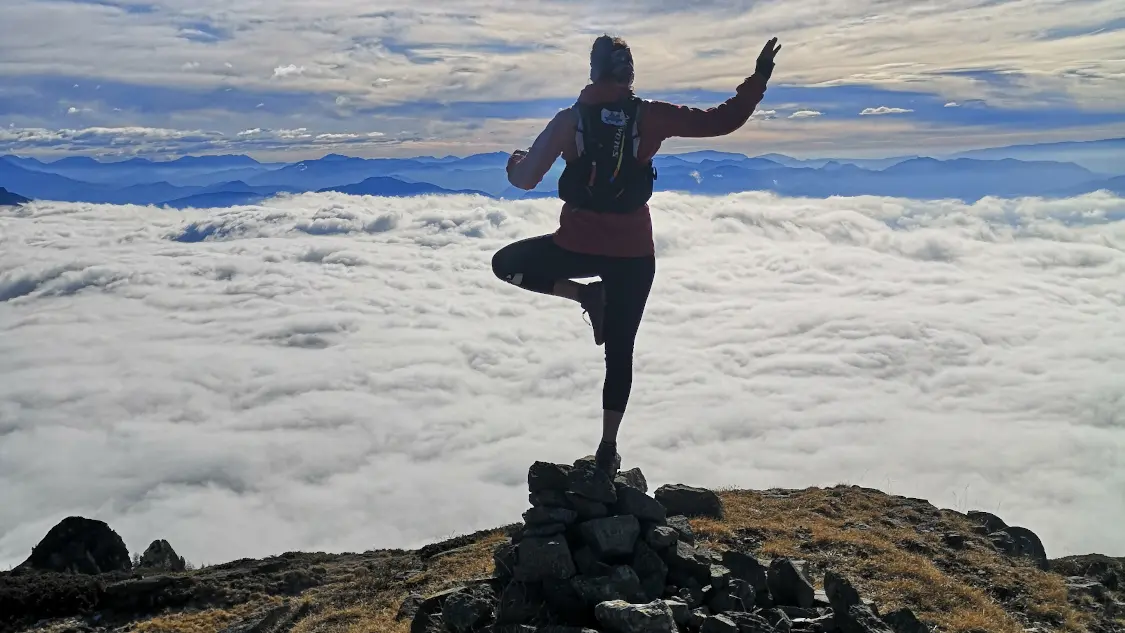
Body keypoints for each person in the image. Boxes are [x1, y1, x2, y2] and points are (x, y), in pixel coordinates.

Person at [492, 34, 782, 476]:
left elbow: (525, 179)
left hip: (575, 248)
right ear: (629, 73)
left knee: (506, 264)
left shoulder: (569, 121)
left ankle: (582, 296)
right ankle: (608, 448)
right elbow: (723, 121)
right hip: (633, 256)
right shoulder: (650, 116)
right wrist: (758, 78)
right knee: (620, 353)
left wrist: (516, 160)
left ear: (593, 71)